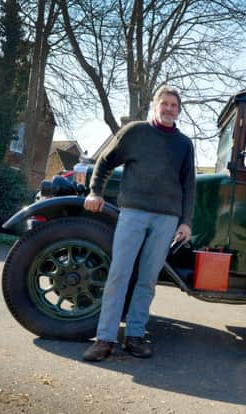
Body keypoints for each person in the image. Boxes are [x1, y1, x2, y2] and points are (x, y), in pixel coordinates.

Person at [82, 86, 195, 362]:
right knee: (119, 274)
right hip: (133, 213)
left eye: (174, 105)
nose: (169, 108)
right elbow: (105, 161)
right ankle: (105, 339)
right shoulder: (135, 132)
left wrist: (186, 222)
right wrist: (95, 191)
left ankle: (134, 336)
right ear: (155, 106)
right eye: (164, 103)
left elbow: (189, 185)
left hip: (166, 219)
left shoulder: (184, 144)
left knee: (147, 280)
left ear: (178, 110)